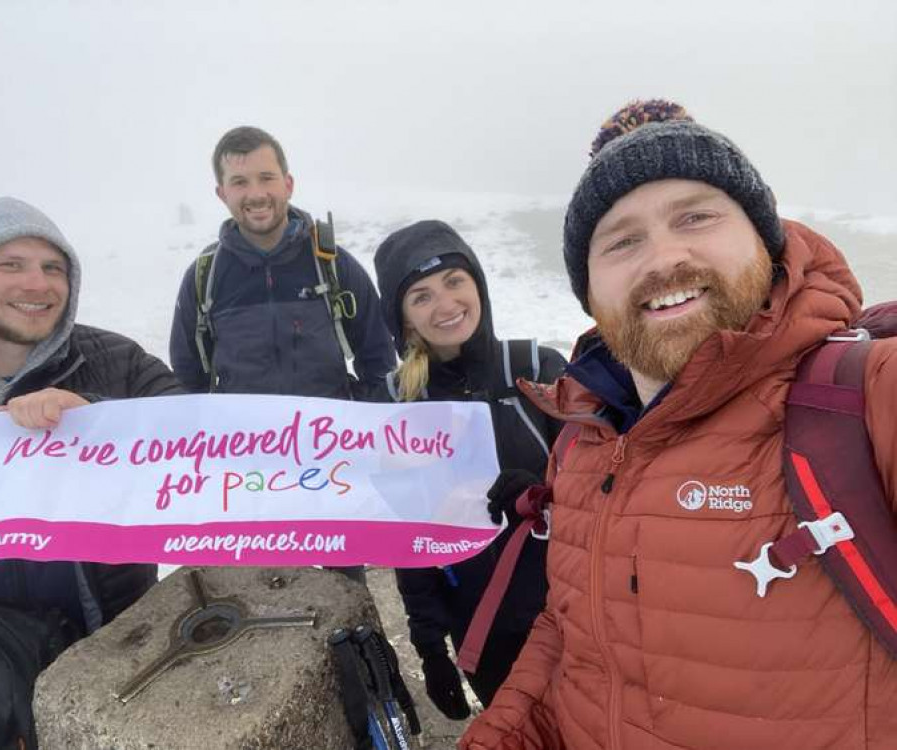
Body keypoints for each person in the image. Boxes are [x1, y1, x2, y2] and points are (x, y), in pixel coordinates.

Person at [460, 100, 897, 749]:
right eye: (622, 240)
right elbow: (571, 637)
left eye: (694, 216)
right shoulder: (584, 436)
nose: (663, 258)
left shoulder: (862, 398)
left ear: (765, 238)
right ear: (588, 287)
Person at [0, 197, 180, 671]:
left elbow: (201, 439)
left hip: (117, 650)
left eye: (54, 267)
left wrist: (99, 419)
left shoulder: (118, 360)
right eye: (11, 264)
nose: (39, 283)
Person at [372, 220, 566, 717]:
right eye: (421, 296)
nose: (445, 304)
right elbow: (409, 541)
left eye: (455, 281)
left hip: (569, 611)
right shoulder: (400, 406)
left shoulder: (535, 371)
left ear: (477, 284)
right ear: (403, 318)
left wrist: (547, 494)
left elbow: (603, 492)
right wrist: (431, 649)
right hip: (480, 623)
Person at [168, 125, 395, 398]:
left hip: (326, 436)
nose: (256, 194)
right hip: (241, 438)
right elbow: (187, 380)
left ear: (288, 185)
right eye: (240, 182)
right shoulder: (204, 277)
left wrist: (364, 425)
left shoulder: (332, 265)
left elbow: (378, 361)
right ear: (222, 193)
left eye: (266, 178)